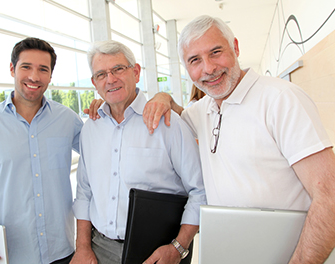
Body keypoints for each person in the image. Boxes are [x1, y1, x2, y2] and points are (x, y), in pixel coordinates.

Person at [141, 15, 335, 263]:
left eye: (216, 52)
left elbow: (329, 195)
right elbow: (179, 114)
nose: (209, 68)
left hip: (291, 253)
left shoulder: (281, 99)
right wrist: (162, 96)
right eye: (195, 60)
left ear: (236, 47)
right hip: (234, 250)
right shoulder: (203, 109)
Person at [70, 40, 206, 264]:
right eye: (101, 74)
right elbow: (84, 192)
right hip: (100, 250)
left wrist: (178, 248)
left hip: (158, 252)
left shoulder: (168, 123)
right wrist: (82, 247)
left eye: (118, 69)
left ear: (136, 72)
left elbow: (199, 191)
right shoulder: (91, 128)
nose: (111, 79)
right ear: (94, 82)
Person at [0, 37, 83, 264]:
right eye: (26, 67)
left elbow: (105, 151)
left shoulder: (68, 120)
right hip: (11, 253)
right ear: (13, 69)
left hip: (62, 250)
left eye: (43, 69)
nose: (34, 77)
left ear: (50, 76)